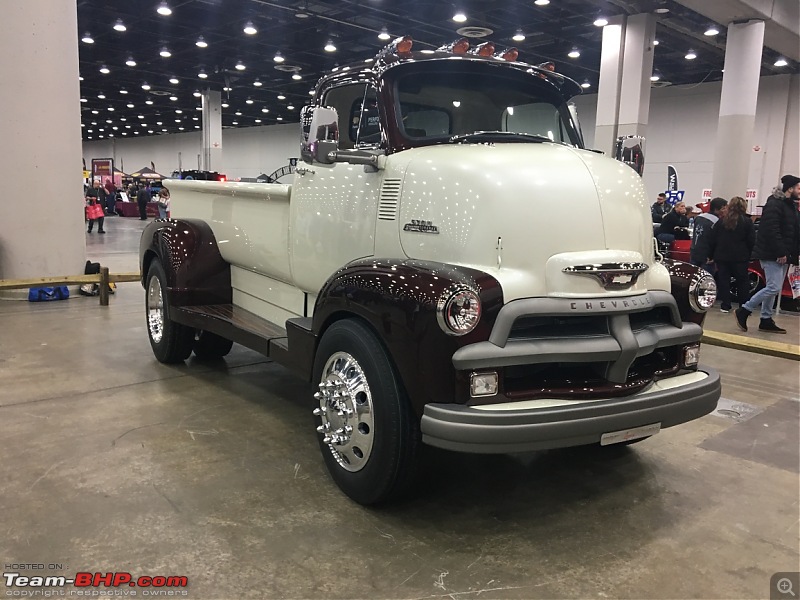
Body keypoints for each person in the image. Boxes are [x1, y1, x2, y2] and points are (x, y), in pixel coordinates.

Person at [735, 174, 800, 333]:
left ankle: (765, 319)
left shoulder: (789, 205)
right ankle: (744, 310)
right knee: (773, 287)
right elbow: (772, 230)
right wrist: (781, 251)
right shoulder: (775, 204)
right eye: (799, 187)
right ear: (790, 189)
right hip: (773, 253)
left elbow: (792, 231)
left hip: (784, 253)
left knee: (773, 287)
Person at [708, 196, 755, 313]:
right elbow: (751, 240)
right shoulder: (747, 221)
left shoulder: (722, 221)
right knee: (742, 281)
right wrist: (749, 254)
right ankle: (743, 306)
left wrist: (711, 255)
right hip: (740, 256)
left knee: (724, 280)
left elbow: (713, 239)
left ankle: (725, 305)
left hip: (722, 256)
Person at [690, 197, 728, 273]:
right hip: (707, 257)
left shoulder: (698, 217)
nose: (726, 211)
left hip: (694, 252)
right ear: (717, 210)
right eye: (724, 208)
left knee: (693, 277)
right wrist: (713, 256)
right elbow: (715, 240)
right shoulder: (717, 222)